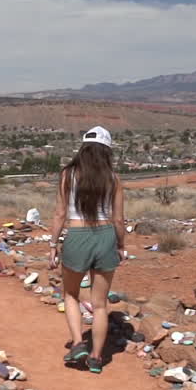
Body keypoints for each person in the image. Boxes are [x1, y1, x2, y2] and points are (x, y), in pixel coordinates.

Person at [49, 126, 126, 374]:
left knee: (70, 294)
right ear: (106, 151)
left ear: (82, 148)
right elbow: (119, 220)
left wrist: (53, 244)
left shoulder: (67, 174)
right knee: (100, 304)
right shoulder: (113, 178)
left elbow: (60, 214)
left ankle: (78, 342)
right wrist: (121, 245)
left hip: (77, 235)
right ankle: (96, 358)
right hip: (105, 237)